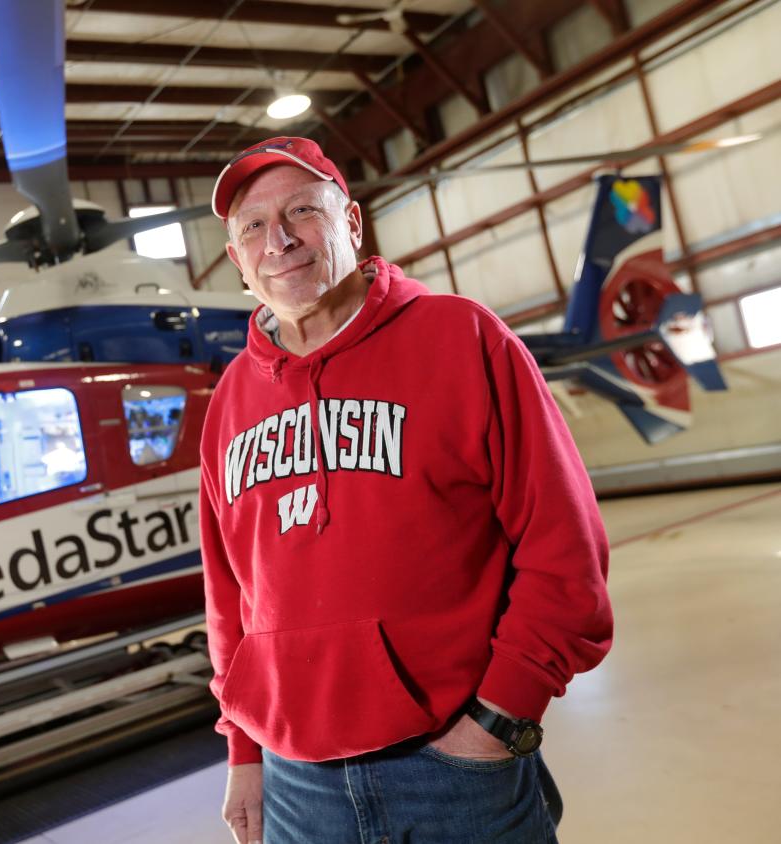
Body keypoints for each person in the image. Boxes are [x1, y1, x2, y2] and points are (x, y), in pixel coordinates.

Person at [198, 137, 612, 844]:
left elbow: (565, 549)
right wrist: (244, 749)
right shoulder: (231, 398)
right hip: (295, 784)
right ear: (237, 260)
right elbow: (231, 596)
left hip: (454, 768)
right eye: (254, 227)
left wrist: (499, 717)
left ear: (352, 224)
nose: (281, 240)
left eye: (303, 210)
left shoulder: (463, 337)